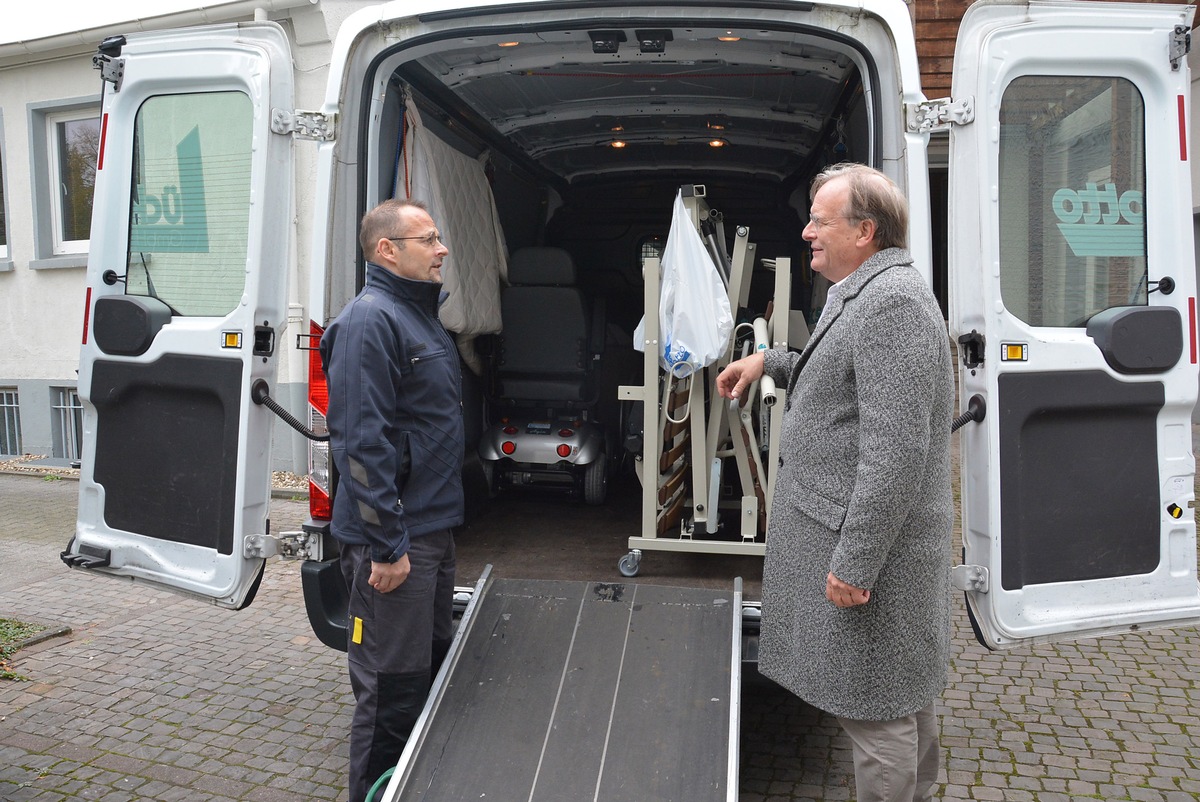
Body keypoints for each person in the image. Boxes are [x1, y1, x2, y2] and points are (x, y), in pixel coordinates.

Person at [717, 163, 953, 802]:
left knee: (876, 712)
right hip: (861, 541)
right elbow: (841, 376)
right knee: (898, 692)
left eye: (821, 220)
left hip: (868, 552)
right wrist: (771, 359)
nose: (807, 231)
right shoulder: (864, 290)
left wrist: (856, 563)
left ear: (866, 231)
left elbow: (896, 453)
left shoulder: (891, 305)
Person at [319, 199, 464, 802]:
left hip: (429, 530)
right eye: (428, 239)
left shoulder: (418, 317)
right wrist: (386, 546)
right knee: (390, 693)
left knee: (427, 672)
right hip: (395, 545)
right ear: (388, 250)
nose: (442, 249)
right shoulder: (369, 322)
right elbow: (359, 444)